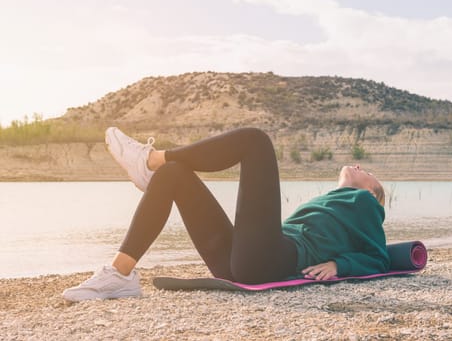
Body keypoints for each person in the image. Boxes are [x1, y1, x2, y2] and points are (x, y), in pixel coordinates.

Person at [62, 127, 389, 301]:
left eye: (369, 173)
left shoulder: (366, 205)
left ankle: (148, 161)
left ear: (374, 194)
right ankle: (120, 275)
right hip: (239, 261)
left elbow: (379, 257)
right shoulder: (333, 201)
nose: (361, 167)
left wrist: (340, 265)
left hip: (269, 262)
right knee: (175, 173)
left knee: (256, 141)